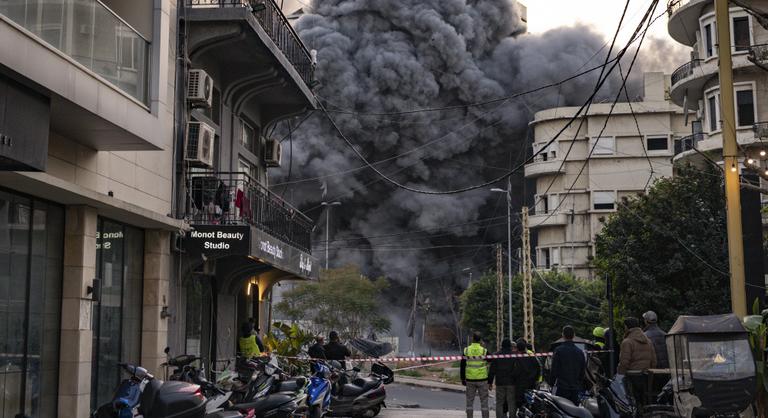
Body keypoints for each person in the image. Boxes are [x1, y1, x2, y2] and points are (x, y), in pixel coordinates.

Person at [549, 326, 585, 405]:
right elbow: (582, 371)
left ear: (563, 335)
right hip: (575, 388)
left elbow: (554, 369)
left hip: (562, 388)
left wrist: (551, 383)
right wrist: (578, 383)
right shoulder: (580, 352)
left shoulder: (558, 350)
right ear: (574, 335)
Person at [461, 332, 490, 418]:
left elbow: (462, 365)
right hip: (482, 379)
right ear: (480, 340)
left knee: (469, 402)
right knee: (484, 402)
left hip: (470, 379)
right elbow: (491, 359)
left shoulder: (466, 350)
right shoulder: (484, 350)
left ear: (472, 339)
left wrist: (463, 378)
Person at [488, 339, 516, 418]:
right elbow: (517, 369)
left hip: (500, 382)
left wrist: (490, 382)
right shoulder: (514, 355)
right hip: (511, 382)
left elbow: (492, 370)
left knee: (499, 402)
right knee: (511, 402)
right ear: (510, 346)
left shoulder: (496, 355)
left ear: (501, 346)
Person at [514, 338, 540, 409]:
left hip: (520, 384)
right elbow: (538, 367)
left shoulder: (515, 358)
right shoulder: (531, 356)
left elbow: (515, 371)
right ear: (525, 347)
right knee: (530, 402)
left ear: (517, 348)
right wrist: (536, 379)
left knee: (519, 403)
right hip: (531, 383)